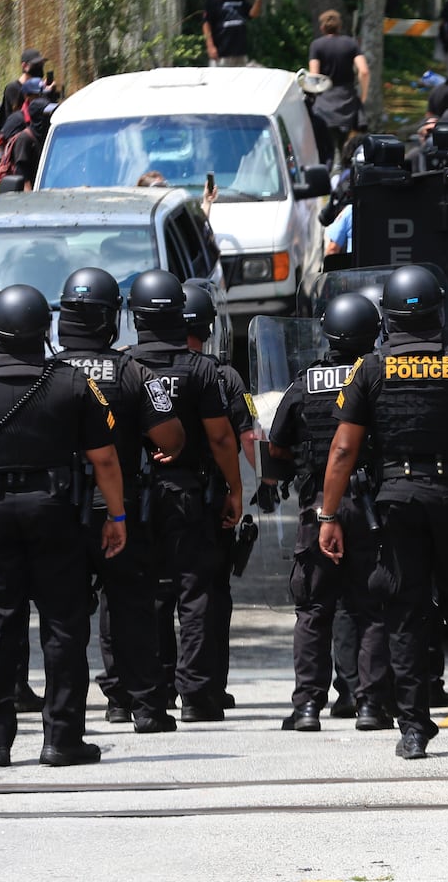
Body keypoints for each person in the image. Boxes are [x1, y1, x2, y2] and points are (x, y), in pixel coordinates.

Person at [318, 265, 448, 759]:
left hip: (396, 504)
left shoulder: (371, 368)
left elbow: (342, 451)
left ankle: (413, 729)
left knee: (405, 614)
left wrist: (327, 515)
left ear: (388, 316)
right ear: (438, 312)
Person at [0, 284, 127, 768]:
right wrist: (118, 516)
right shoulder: (70, 383)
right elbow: (104, 459)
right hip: (56, 509)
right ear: (45, 329)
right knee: (64, 625)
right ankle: (61, 739)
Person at [54, 268, 185, 735]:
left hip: (61, 510)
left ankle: (70, 716)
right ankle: (147, 707)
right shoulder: (133, 371)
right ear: (112, 319)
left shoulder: (48, 371)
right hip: (120, 506)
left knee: (64, 616)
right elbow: (171, 436)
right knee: (133, 607)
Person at [265, 293, 392, 732]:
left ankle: (306, 708)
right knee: (370, 607)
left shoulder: (305, 384)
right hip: (374, 504)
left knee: (314, 609)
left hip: (320, 505)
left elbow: (277, 444)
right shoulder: (380, 376)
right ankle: (372, 706)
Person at [124, 270, 243, 722]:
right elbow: (222, 439)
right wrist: (235, 487)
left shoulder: (124, 365)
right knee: (195, 593)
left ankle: (146, 693)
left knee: (148, 593)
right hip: (189, 491)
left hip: (137, 493)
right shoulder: (201, 369)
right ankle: (196, 694)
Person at [181, 281, 256, 714]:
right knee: (207, 592)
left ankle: (137, 693)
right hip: (206, 493)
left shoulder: (136, 366)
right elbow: (245, 436)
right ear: (209, 327)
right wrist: (251, 485)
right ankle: (202, 688)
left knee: (153, 594)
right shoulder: (223, 375)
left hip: (150, 497)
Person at [307, 10, 370, 162]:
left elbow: (314, 76)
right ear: (339, 26)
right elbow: (364, 71)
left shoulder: (317, 45)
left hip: (324, 104)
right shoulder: (351, 43)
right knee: (346, 149)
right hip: (347, 103)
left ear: (322, 27)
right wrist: (363, 96)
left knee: (324, 149)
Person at [0, 49, 55, 163]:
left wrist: (46, 92)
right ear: (25, 66)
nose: (40, 68)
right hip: (19, 148)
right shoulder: (13, 89)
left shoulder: (40, 88)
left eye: (41, 64)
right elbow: (28, 114)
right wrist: (43, 94)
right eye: (36, 65)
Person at [203, 0, 264, 67]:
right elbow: (206, 24)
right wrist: (210, 46)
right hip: (221, 53)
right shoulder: (212, 0)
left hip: (239, 53)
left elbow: (253, 14)